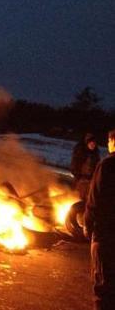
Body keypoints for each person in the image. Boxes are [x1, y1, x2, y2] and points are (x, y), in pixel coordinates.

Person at [84, 129, 115, 310]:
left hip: (106, 233)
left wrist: (87, 225)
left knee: (102, 284)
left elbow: (95, 199)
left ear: (113, 141)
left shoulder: (108, 165)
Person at [71, 133, 100, 201]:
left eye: (94, 144)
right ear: (87, 143)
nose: (93, 146)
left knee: (88, 198)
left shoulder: (95, 154)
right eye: (91, 144)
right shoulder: (80, 153)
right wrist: (78, 176)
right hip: (81, 180)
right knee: (78, 197)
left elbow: (97, 166)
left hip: (90, 180)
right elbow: (74, 165)